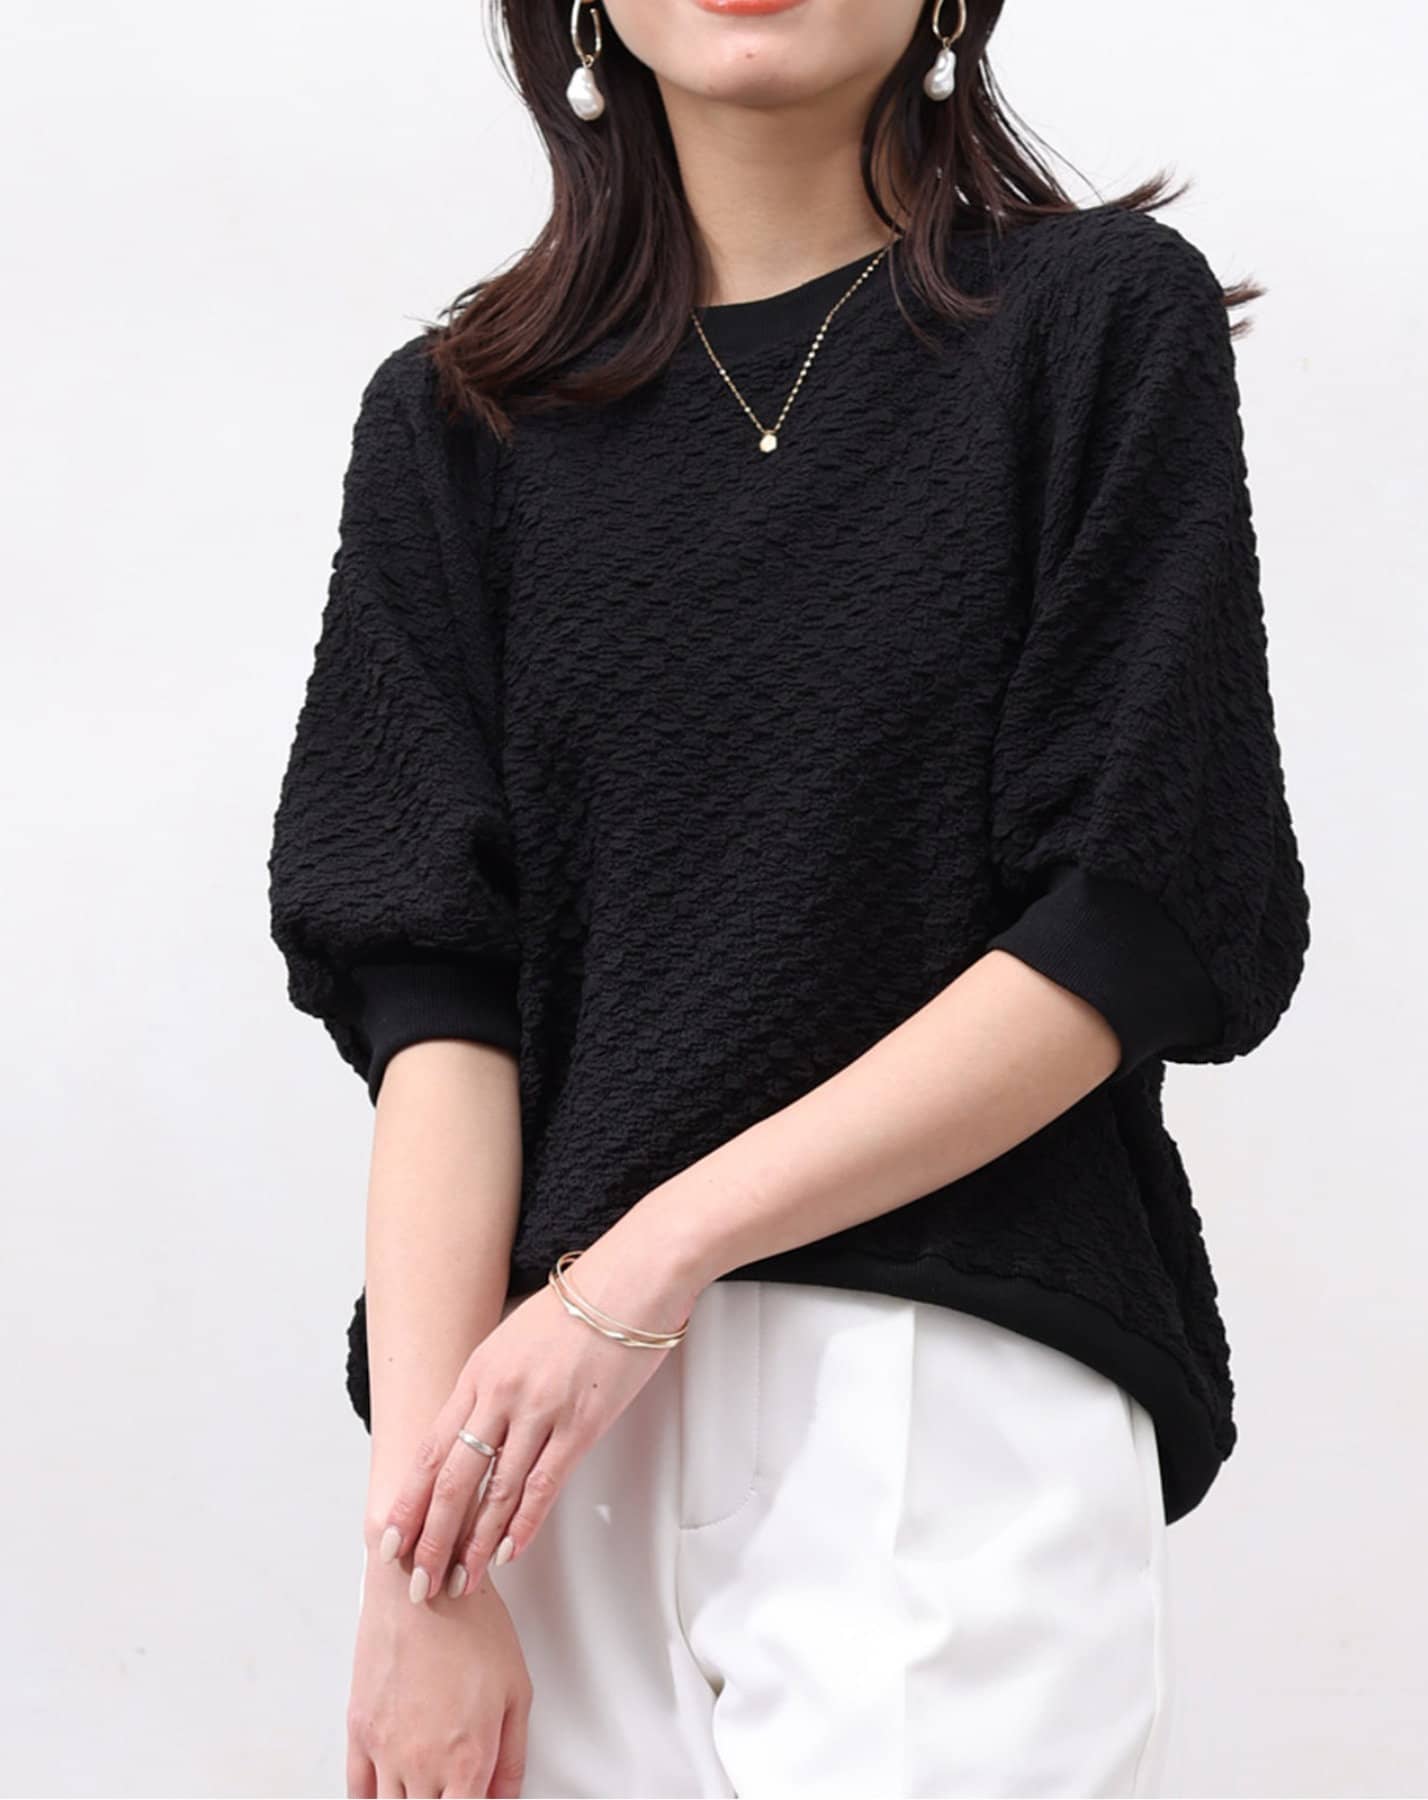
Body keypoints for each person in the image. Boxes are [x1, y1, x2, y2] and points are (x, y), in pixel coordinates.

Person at [266, 1, 1312, 1794]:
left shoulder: (1091, 321)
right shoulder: (454, 425)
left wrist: (645, 1263)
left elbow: (1134, 908)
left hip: (935, 1373)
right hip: (539, 1440)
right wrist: (416, 1557)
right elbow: (432, 990)